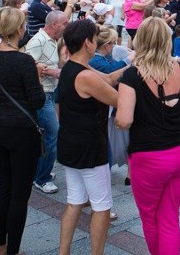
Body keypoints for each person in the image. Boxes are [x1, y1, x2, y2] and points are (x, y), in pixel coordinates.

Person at [115, 18, 180, 255]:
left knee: (150, 216)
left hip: (149, 156)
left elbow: (124, 121)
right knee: (169, 216)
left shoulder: (132, 76)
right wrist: (176, 116)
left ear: (140, 40)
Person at [0, 7, 46, 255]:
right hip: (22, 129)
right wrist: (38, 76)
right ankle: (14, 250)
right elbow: (37, 100)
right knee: (20, 193)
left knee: (5, 188)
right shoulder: (23, 60)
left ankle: (0, 245)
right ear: (20, 28)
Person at [57, 20, 121, 255]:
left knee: (74, 202)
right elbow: (118, 98)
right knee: (102, 207)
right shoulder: (85, 76)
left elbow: (109, 79)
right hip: (90, 148)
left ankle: (63, 252)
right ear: (88, 43)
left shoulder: (71, 68)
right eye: (95, 39)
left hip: (71, 144)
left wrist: (131, 66)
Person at [23, 10, 68, 195]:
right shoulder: (38, 41)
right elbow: (28, 65)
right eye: (65, 23)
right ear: (55, 25)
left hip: (50, 92)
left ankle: (42, 171)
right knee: (52, 134)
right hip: (43, 94)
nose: (67, 26)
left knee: (48, 135)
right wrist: (52, 72)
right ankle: (42, 178)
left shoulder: (53, 41)